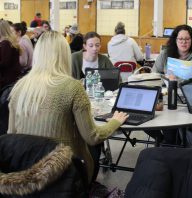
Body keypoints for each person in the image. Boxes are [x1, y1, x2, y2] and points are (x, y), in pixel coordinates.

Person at [7, 31, 128, 184]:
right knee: (95, 148)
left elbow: (11, 135)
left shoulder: (19, 88)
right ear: (65, 55)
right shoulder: (73, 88)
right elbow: (93, 137)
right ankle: (90, 186)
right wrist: (115, 121)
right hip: (64, 172)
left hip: (26, 171)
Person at [0, 20, 22, 90]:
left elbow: (4, 63)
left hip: (7, 79)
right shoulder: (10, 41)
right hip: (12, 77)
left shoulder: (5, 43)